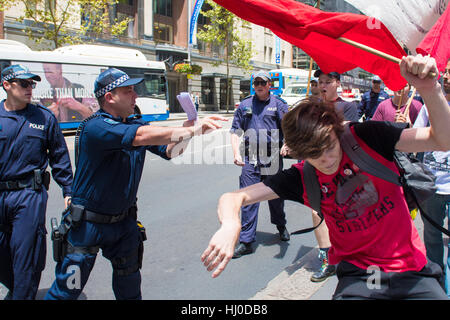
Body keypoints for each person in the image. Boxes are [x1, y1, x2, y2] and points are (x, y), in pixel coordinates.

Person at [202, 55, 449, 300]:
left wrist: (430, 89)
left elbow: (442, 139)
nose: (327, 160)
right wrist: (230, 224)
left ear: (337, 131)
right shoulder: (302, 177)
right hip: (361, 277)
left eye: (330, 147)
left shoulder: (367, 137)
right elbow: (233, 197)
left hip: (411, 269)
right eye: (313, 155)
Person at [44, 68, 226, 300]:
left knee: (129, 289)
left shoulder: (133, 122)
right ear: (109, 97)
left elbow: (170, 152)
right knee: (67, 291)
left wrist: (188, 130)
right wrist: (193, 128)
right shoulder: (97, 126)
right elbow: (140, 136)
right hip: (88, 226)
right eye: (128, 91)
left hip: (123, 224)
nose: (136, 96)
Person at [0, 65, 73, 299]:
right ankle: (20, 288)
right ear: (6, 85)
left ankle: (22, 294)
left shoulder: (43, 118)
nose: (30, 88)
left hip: (28, 196)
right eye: (24, 83)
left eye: (32, 84)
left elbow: (59, 157)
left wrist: (68, 190)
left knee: (25, 256)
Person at [230, 71, 290, 259]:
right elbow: (234, 131)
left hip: (272, 157)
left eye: (262, 82)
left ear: (269, 85)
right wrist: (236, 153)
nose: (259, 85)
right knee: (248, 198)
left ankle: (281, 226)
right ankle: (247, 241)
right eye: (256, 82)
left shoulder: (279, 105)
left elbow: (288, 129)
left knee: (275, 196)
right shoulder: (245, 105)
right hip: (251, 158)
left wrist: (287, 144)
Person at [413, 58, 450, 297]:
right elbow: (414, 140)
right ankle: (436, 288)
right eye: (445, 72)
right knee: (433, 242)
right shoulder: (428, 108)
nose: (446, 77)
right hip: (432, 188)